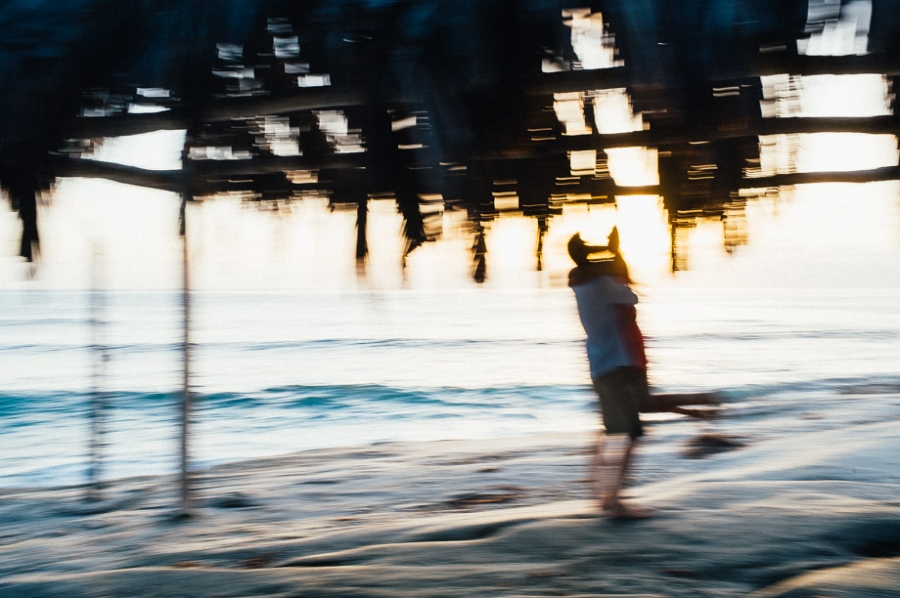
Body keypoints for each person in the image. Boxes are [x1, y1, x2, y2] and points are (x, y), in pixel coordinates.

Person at [568, 228, 719, 518]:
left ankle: (603, 494)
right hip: (617, 363)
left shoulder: (585, 284)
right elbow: (632, 296)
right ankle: (612, 500)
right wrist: (617, 253)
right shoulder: (603, 285)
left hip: (606, 364)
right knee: (628, 433)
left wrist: (611, 252)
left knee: (621, 426)